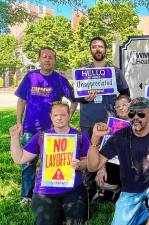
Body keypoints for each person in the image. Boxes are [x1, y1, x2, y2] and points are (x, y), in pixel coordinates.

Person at [87, 97, 149, 225]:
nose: (135, 117)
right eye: (132, 113)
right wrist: (95, 140)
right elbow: (92, 167)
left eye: (141, 113)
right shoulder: (120, 136)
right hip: (130, 189)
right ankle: (144, 211)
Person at [15, 46, 77, 205]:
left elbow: (74, 100)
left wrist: (67, 118)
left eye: (51, 57)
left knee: (51, 162)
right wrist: (19, 122)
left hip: (52, 130)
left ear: (55, 60)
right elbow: (21, 100)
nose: (48, 59)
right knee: (28, 163)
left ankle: (48, 191)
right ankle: (26, 196)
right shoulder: (30, 77)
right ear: (40, 59)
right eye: (45, 57)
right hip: (30, 127)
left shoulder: (60, 80)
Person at [10, 101, 89, 225]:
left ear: (69, 115)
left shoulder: (79, 136)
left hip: (73, 188)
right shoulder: (42, 136)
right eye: (56, 115)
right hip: (45, 190)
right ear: (51, 116)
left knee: (76, 222)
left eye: (63, 115)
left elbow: (88, 162)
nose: (59, 118)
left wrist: (80, 164)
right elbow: (19, 159)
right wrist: (14, 138)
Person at [78, 37, 130, 200]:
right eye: (94, 46)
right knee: (88, 156)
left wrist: (119, 106)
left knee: (107, 157)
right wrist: (83, 98)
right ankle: (90, 190)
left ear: (105, 49)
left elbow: (125, 93)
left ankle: (107, 189)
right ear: (90, 50)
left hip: (109, 122)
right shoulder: (83, 72)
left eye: (100, 46)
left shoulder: (115, 71)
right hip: (87, 122)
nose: (97, 49)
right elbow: (75, 96)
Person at [94, 95, 131, 201]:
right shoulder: (111, 125)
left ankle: (122, 191)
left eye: (124, 105)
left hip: (132, 165)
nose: (121, 108)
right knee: (102, 180)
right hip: (113, 162)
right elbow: (103, 148)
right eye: (118, 106)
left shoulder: (140, 124)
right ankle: (113, 189)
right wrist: (101, 168)